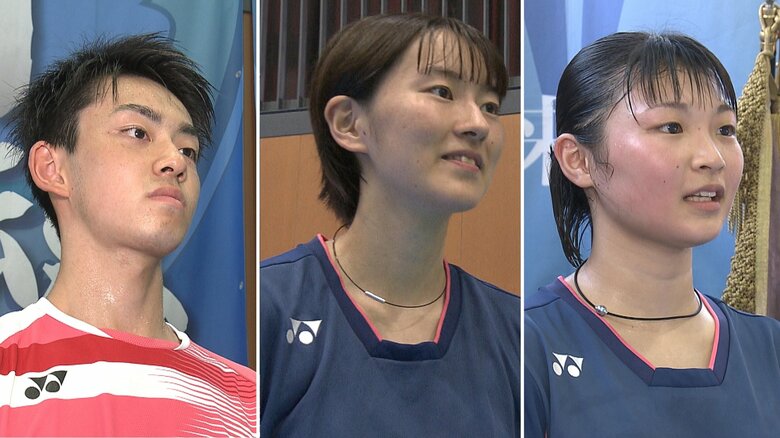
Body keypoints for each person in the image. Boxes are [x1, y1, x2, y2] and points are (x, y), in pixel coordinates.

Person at [261, 13, 519, 436]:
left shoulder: (515, 332)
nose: (478, 124)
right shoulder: (268, 309)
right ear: (349, 123)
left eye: (490, 106)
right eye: (442, 91)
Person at [524, 31, 780, 437]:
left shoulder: (769, 347)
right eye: (672, 127)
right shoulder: (524, 347)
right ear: (579, 160)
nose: (712, 158)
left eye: (725, 130)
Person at [0, 34, 256, 436]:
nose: (175, 161)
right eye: (138, 133)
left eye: (188, 150)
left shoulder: (245, 401)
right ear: (52, 168)